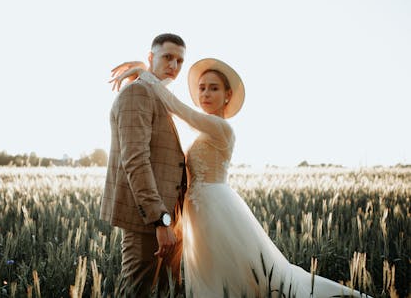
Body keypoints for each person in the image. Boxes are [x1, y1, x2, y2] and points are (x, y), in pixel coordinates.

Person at [110, 58, 372, 298]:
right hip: (198, 211)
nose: (205, 93)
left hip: (215, 210)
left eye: (213, 88)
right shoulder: (205, 127)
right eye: (201, 88)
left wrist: (148, 74)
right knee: (214, 273)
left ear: (228, 95)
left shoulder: (221, 127)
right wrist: (150, 72)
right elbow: (176, 106)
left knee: (229, 274)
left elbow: (179, 108)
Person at [99, 33, 187, 297]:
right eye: (167, 57)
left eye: (180, 61)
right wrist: (160, 220)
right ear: (151, 57)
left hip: (169, 220)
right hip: (146, 221)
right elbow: (135, 160)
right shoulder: (138, 92)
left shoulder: (158, 95)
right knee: (138, 292)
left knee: (163, 292)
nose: (174, 65)